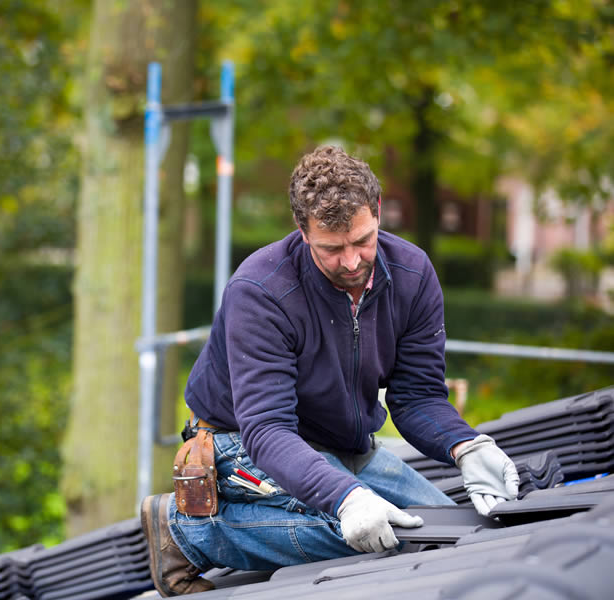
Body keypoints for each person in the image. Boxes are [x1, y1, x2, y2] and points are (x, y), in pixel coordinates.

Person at [139, 145, 520, 597]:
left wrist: (465, 445)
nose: (352, 261)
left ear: (377, 211)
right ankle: (189, 533)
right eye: (331, 249)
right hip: (237, 439)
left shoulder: (413, 274)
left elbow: (417, 397)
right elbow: (267, 430)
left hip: (343, 444)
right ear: (302, 231)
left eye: (363, 240)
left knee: (448, 533)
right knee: (384, 538)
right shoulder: (261, 291)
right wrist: (348, 498)